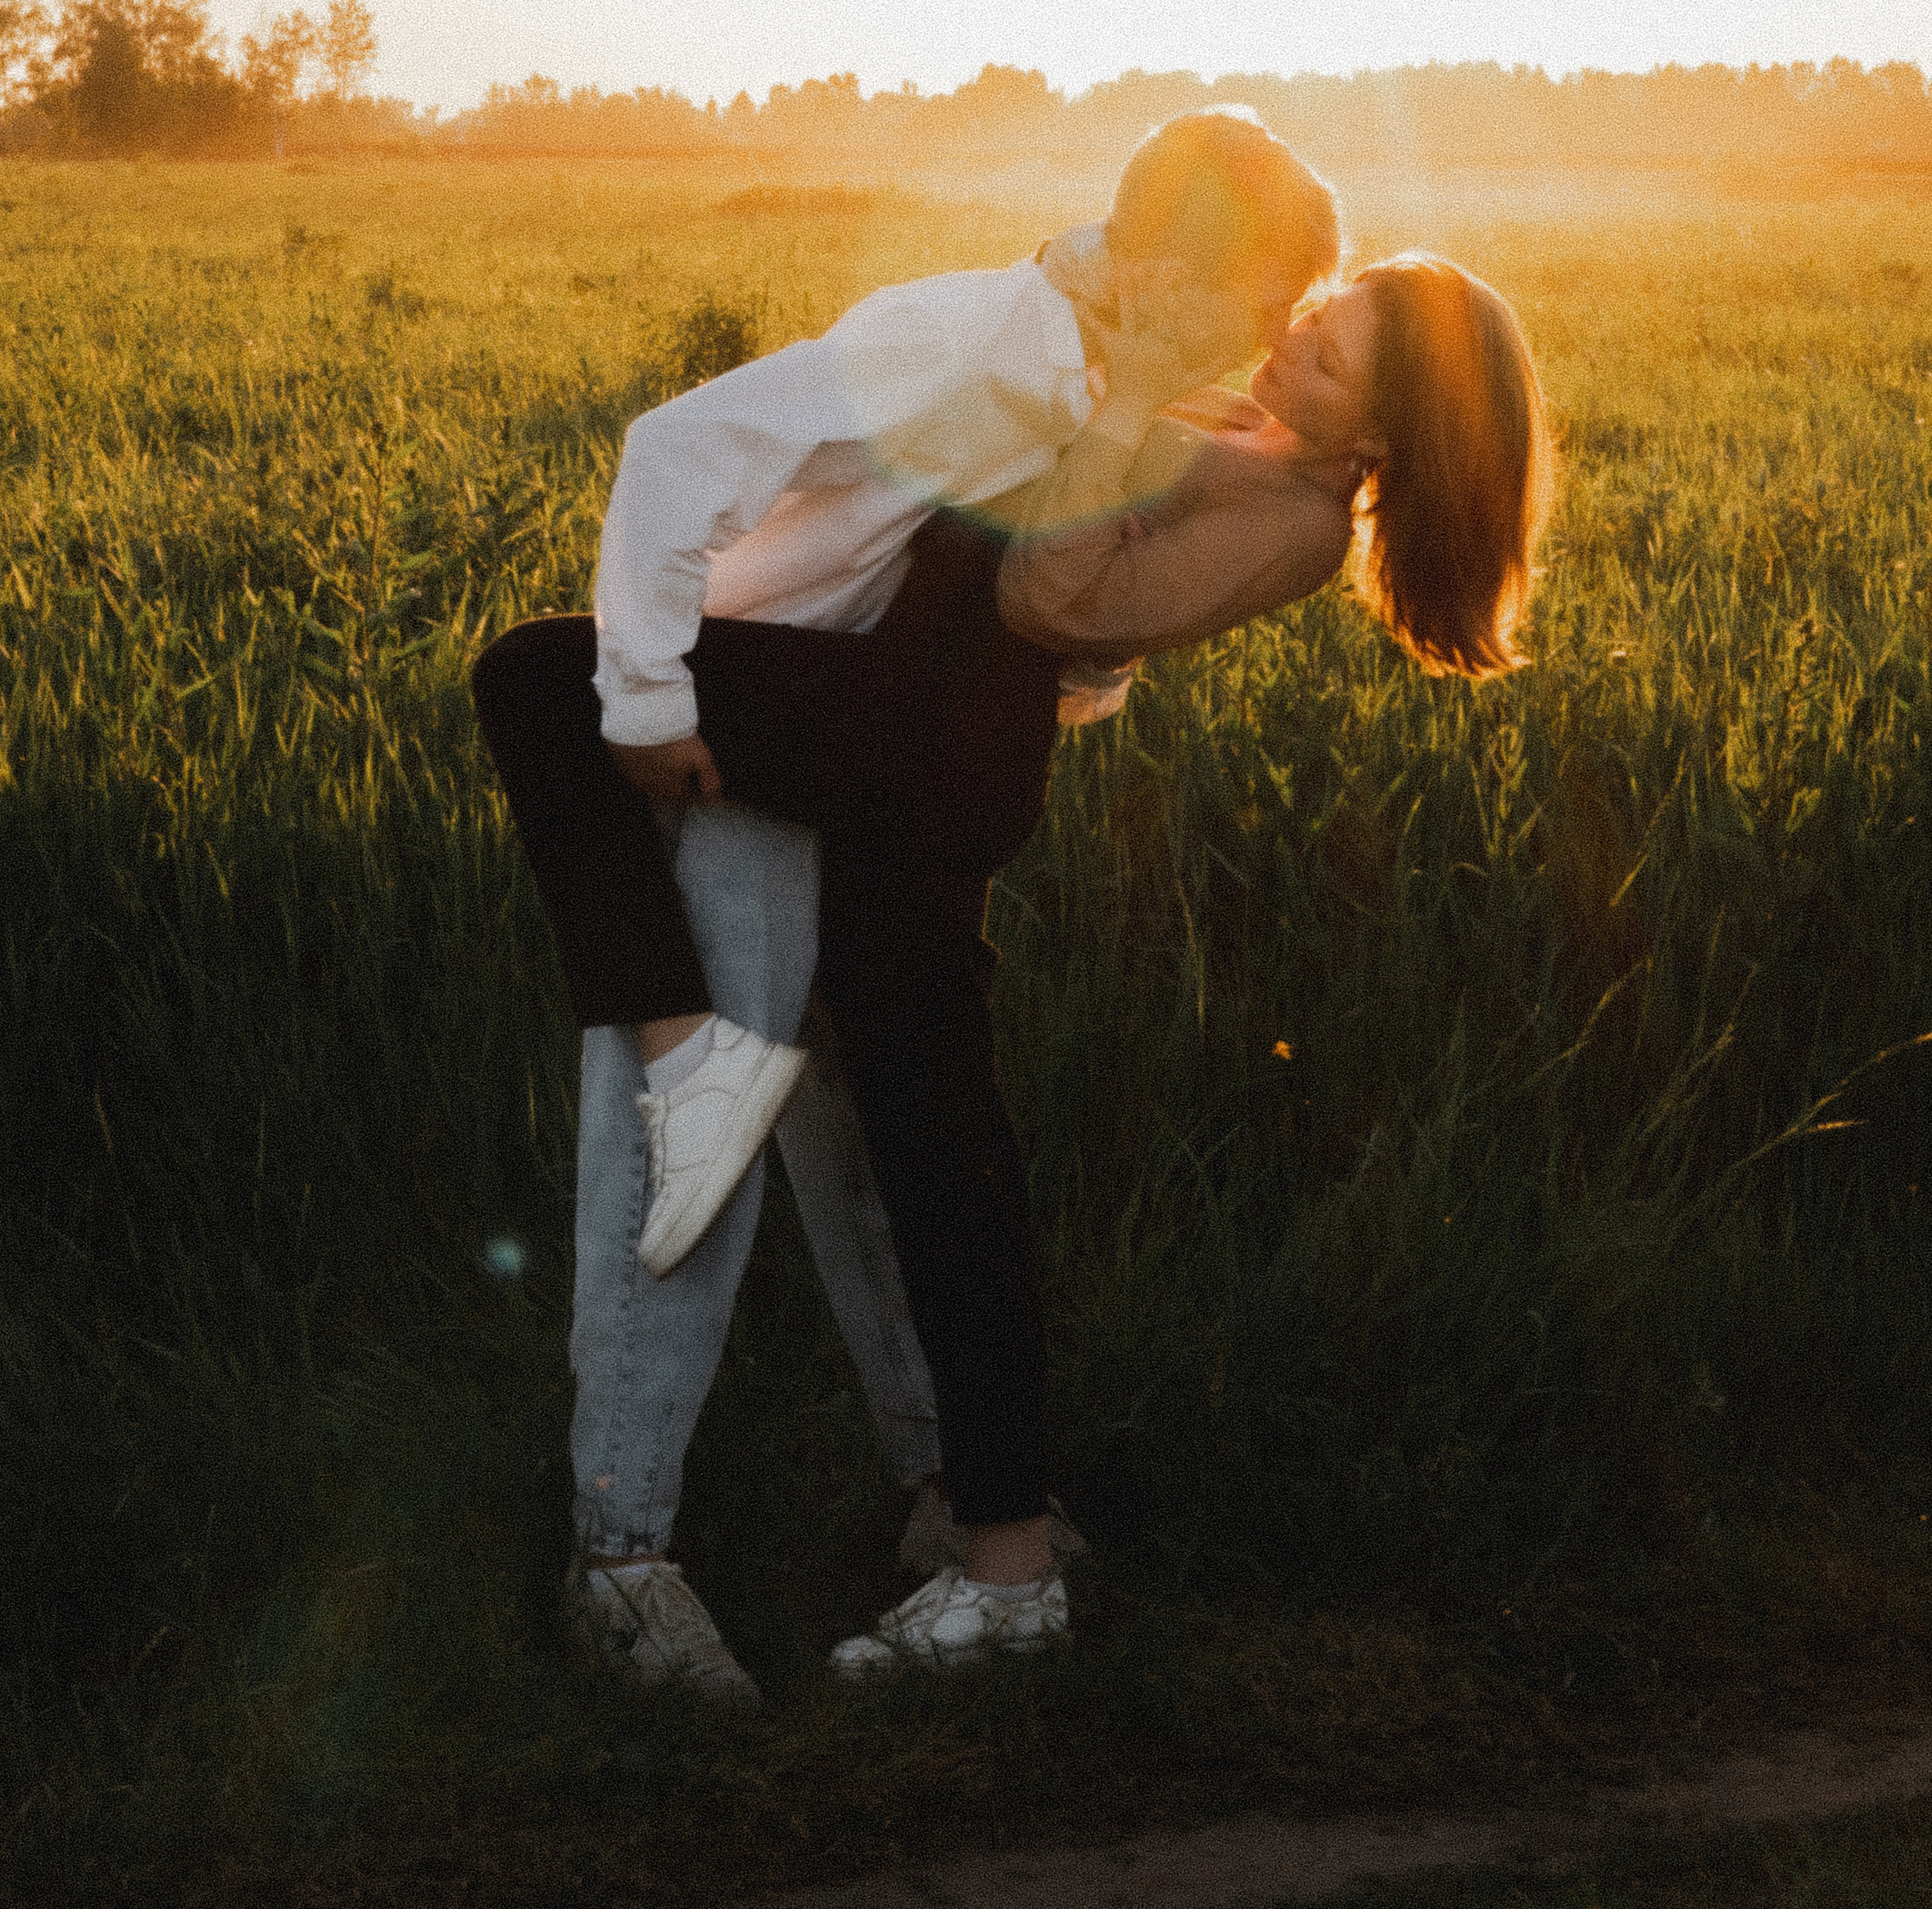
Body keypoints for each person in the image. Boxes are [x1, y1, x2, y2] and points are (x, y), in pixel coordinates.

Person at [476, 242, 1554, 1690]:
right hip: (897, 741)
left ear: (1378, 436)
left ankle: (999, 1557)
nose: (1287, 343)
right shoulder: (1256, 442)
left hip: (916, 761)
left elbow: (1055, 596)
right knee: (916, 1141)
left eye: (1329, 352)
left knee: (549, 680)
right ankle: (992, 1521)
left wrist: (1126, 401)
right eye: (1308, 314)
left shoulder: (1293, 520)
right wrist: (1084, 292)